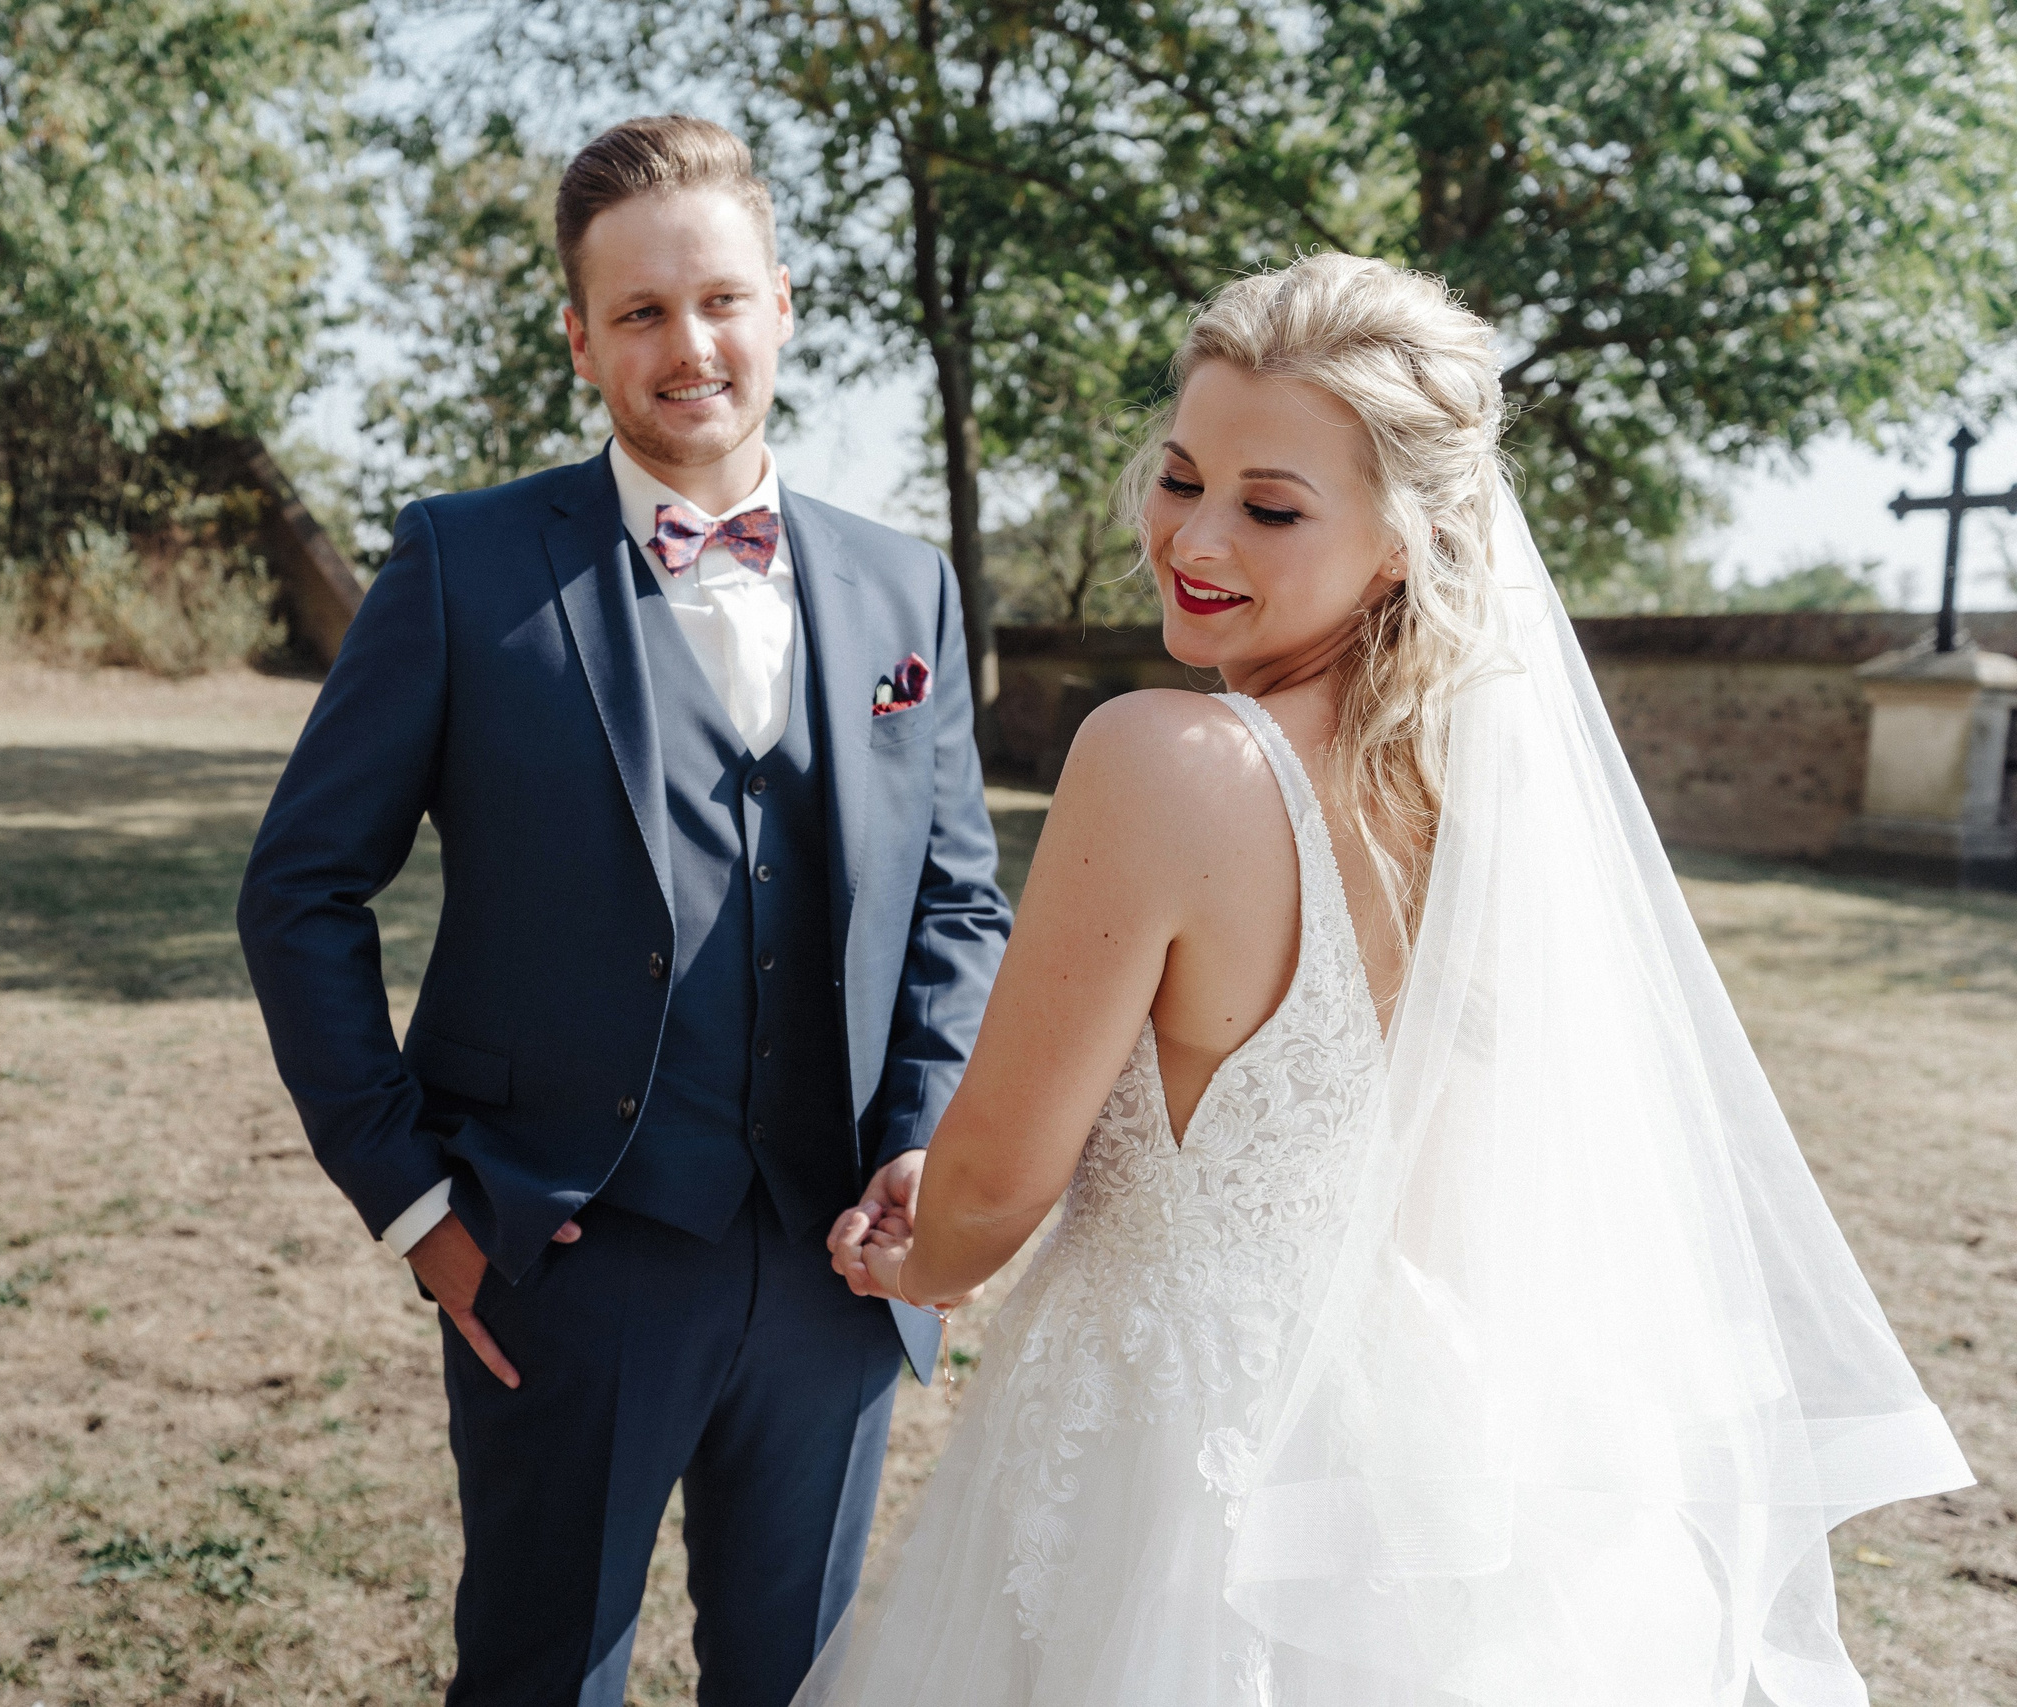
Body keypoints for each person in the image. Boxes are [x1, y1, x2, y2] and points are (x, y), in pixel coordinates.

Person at [807, 251, 1972, 1706]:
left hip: (1173, 1459)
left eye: (1270, 506)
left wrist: (911, 1255)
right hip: (1408, 1438)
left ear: (1405, 542)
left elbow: (989, 1194)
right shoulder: (1467, 792)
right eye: (1181, 478)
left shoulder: (1164, 757)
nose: (1194, 538)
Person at [236, 114, 1011, 1707]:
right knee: (538, 1679)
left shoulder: (902, 586)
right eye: (642, 313)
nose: (690, 346)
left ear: (784, 305)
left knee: (798, 1683)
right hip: (560, 1258)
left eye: (720, 299)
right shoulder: (461, 564)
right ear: (581, 337)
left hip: (835, 1273)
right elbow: (302, 888)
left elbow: (955, 904)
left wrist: (924, 1136)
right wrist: (417, 1206)